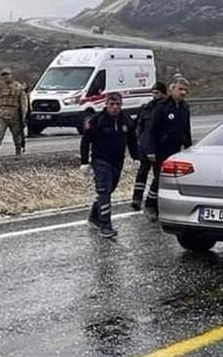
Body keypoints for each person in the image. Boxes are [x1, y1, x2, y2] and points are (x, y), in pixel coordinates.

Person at [80, 92, 138, 238]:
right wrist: (84, 162)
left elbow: (132, 140)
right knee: (104, 191)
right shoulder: (96, 120)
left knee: (108, 190)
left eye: (118, 104)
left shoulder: (126, 120)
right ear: (106, 104)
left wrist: (136, 157)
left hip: (117, 161)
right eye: (111, 104)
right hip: (100, 160)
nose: (115, 107)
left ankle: (94, 217)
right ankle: (105, 225)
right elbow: (85, 141)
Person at [142, 77, 193, 221]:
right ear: (171, 90)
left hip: (175, 149)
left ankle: (160, 204)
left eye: (185, 90)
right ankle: (150, 204)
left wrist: (188, 148)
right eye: (180, 89)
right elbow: (152, 130)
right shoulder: (162, 107)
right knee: (160, 177)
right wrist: (150, 150)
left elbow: (186, 130)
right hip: (160, 149)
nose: (183, 93)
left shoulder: (185, 108)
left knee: (169, 179)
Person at [130, 81, 168, 210]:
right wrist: (140, 139)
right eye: (153, 93)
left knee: (158, 175)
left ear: (163, 93)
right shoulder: (146, 107)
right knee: (142, 173)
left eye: (157, 93)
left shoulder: (167, 107)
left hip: (159, 148)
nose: (154, 96)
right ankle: (137, 199)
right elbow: (139, 125)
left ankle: (151, 200)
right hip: (145, 146)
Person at [0, 65, 29, 161]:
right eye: (4, 75)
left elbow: (23, 102)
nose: (5, 77)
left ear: (11, 75)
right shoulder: (0, 86)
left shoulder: (18, 87)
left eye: (7, 75)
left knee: (17, 135)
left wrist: (23, 115)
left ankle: (18, 152)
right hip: (2, 113)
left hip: (14, 114)